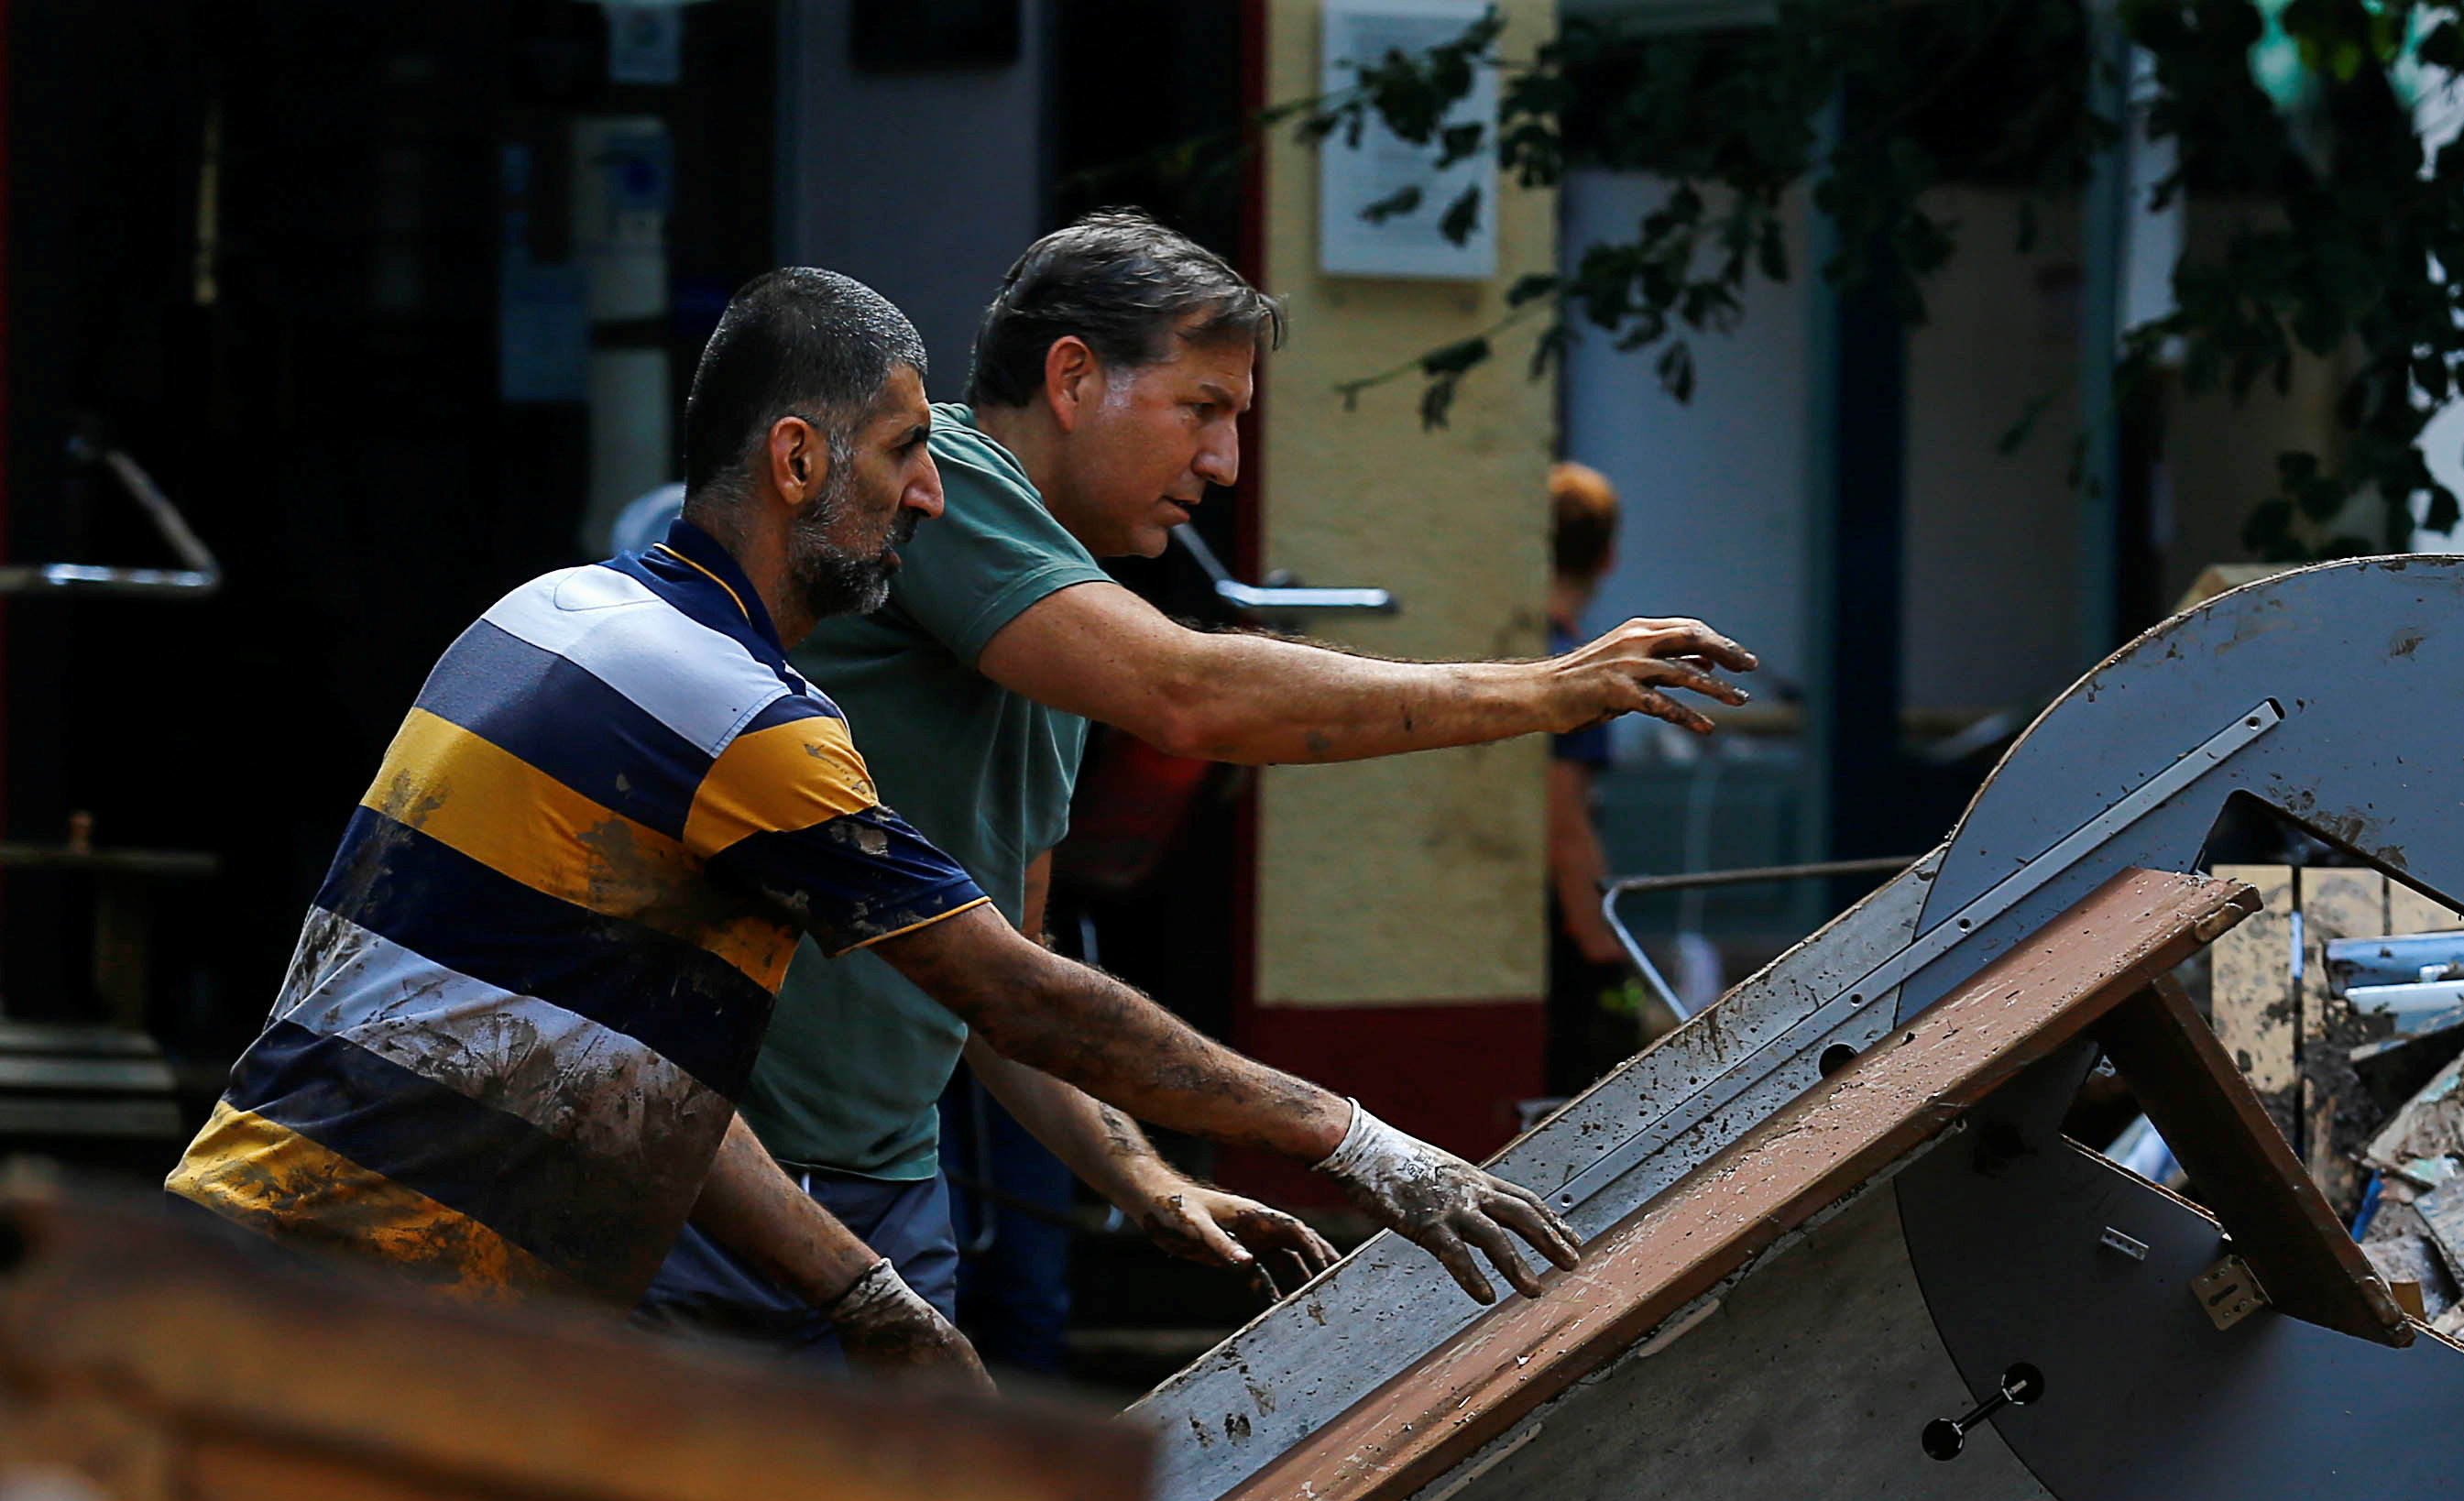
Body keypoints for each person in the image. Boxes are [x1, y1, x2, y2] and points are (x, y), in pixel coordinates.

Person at [167, 267, 1576, 1374]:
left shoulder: (543, 611)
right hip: (378, 1294)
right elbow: (1018, 994)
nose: (929, 491)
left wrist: (871, 1298)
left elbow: (628, 1067)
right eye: (904, 451)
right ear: (794, 463)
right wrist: (1362, 1145)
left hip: (268, 1244)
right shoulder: (744, 728)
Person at [660, 214, 1756, 1355]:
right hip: (724, 1170)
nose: (1225, 462)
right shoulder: (947, 483)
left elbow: (1009, 989)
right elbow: (1186, 689)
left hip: (889, 1184)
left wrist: (1146, 1179)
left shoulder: (1052, 628)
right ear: (1074, 378)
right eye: (1202, 410)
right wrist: (1549, 688)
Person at [1544, 462, 1648, 1094]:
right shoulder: (1581, 675)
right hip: (1552, 924)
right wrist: (1605, 954)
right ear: (1608, 557)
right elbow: (1564, 821)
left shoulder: (1516, 646)